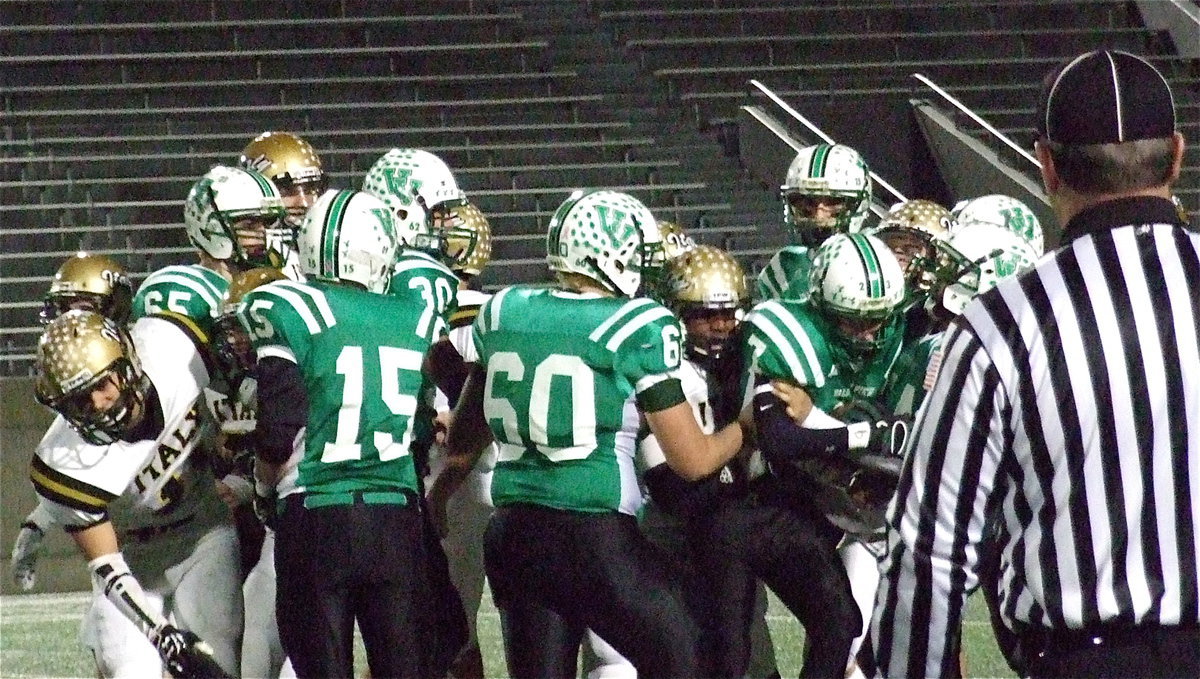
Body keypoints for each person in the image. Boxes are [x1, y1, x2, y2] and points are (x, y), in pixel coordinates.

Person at [871, 49, 1199, 679]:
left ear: (1045, 164)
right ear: (1178, 155)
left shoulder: (1004, 322)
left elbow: (930, 549)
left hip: (1090, 660)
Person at [429, 189, 745, 679]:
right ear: (611, 258)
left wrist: (440, 494)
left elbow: (467, 439)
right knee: (698, 654)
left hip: (514, 535)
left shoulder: (504, 309)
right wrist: (747, 427)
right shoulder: (636, 324)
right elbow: (695, 461)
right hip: (593, 535)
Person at [243, 189, 438, 679]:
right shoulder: (412, 314)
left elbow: (276, 434)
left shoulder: (288, 307)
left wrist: (264, 490)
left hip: (317, 514)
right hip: (395, 517)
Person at [29, 309, 241, 678]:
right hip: (132, 559)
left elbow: (237, 388)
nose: (96, 404)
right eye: (80, 400)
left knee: (219, 658)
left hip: (203, 533)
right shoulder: (61, 463)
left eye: (101, 385)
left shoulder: (174, 348)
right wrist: (159, 632)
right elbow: (106, 564)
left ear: (127, 365)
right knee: (132, 670)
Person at [132, 164, 289, 335]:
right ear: (211, 229)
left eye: (269, 223)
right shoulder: (186, 291)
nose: (265, 234)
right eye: (250, 225)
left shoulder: (279, 281)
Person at [756, 143, 873, 302]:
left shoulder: (877, 262)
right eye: (807, 202)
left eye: (833, 201)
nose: (819, 215)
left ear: (859, 203)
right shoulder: (785, 267)